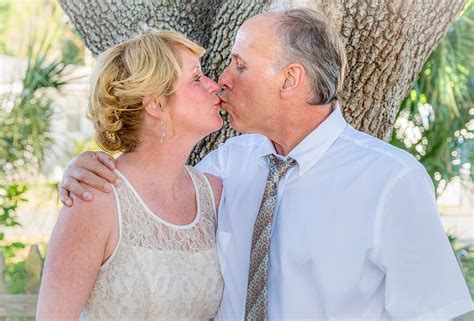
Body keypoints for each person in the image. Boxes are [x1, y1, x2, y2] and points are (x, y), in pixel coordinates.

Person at [59, 8, 473, 321]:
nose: (223, 79)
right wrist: (83, 168)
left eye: (240, 65)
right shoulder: (226, 167)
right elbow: (149, 194)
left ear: (289, 79)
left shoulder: (391, 180)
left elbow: (435, 312)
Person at [36, 30, 225, 320]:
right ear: (156, 104)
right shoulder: (95, 196)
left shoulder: (213, 194)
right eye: (197, 78)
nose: (215, 86)